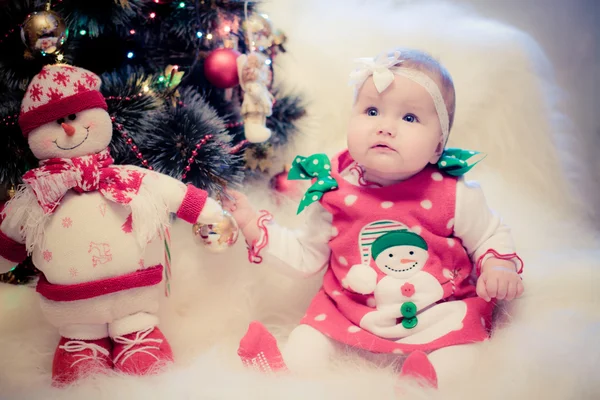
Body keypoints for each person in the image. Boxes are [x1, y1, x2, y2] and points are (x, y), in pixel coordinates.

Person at [224, 49, 524, 389]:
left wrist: (499, 266)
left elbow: (488, 234)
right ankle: (283, 368)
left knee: (462, 351)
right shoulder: (335, 191)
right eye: (371, 111)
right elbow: (307, 257)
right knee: (310, 337)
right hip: (351, 312)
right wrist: (254, 226)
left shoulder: (453, 194)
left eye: (409, 118)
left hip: (436, 311)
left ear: (438, 146)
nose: (385, 127)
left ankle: (423, 384)